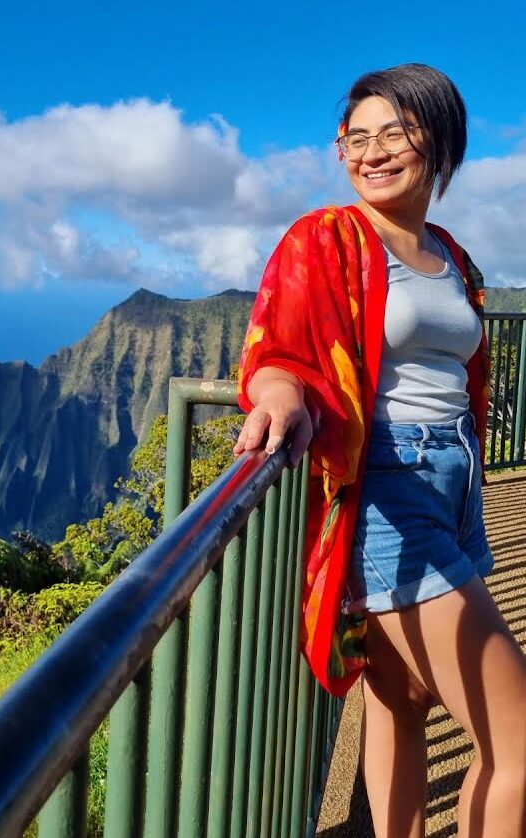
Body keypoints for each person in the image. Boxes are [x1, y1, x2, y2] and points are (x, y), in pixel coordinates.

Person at [232, 64, 526, 838]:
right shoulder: (325, 238)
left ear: (438, 139)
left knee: (401, 702)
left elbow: (460, 370)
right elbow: (279, 345)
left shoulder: (451, 254)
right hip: (389, 489)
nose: (371, 151)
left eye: (392, 132)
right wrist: (280, 395)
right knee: (517, 746)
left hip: (458, 486)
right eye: (355, 138)